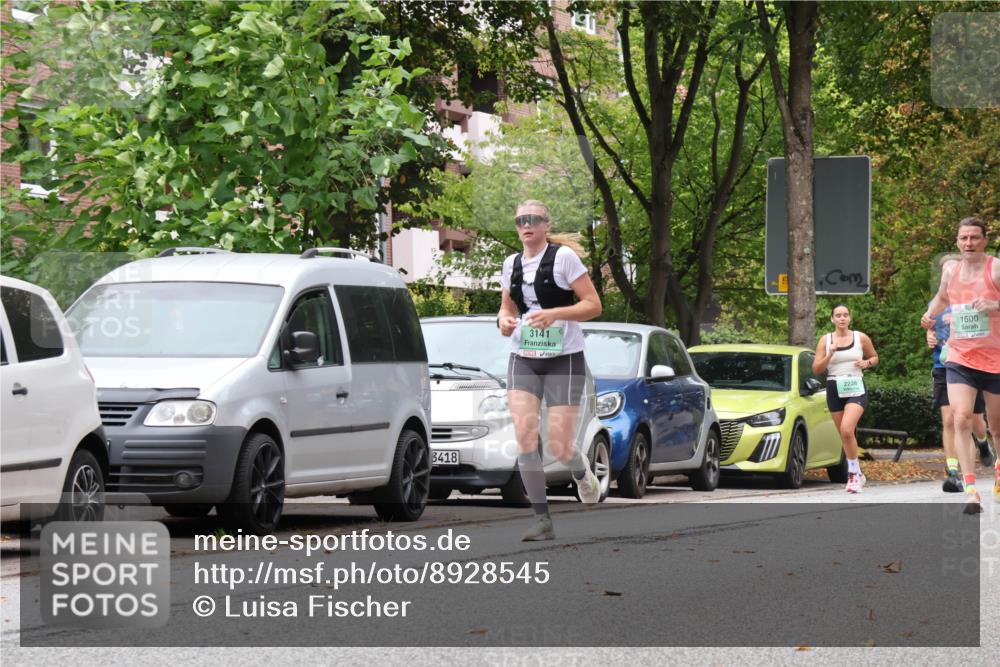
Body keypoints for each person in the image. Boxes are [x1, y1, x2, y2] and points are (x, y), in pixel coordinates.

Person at [497, 199, 603, 541]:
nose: (526, 225)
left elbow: (593, 305)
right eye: (520, 220)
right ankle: (542, 518)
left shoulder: (564, 258)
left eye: (533, 219)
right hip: (524, 356)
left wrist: (556, 314)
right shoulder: (511, 263)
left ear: (545, 224)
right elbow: (505, 309)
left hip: (564, 357)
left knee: (559, 445)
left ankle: (580, 470)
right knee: (526, 436)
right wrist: (504, 322)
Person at [921, 217, 1000, 514]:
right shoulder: (951, 270)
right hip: (960, 357)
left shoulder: (995, 268)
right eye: (963, 238)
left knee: (996, 426)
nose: (968, 244)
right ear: (957, 241)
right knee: (961, 418)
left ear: (984, 240)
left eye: (974, 238)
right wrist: (929, 315)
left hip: (994, 358)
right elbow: (942, 298)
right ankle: (970, 490)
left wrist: (993, 305)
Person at [927, 301, 996, 493]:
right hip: (944, 365)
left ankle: (982, 443)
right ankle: (953, 473)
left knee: (975, 421)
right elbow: (932, 327)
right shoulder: (936, 302)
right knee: (950, 419)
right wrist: (929, 336)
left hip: (974, 366)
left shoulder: (975, 295)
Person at [813, 304, 879, 494]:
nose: (842, 318)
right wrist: (829, 354)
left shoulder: (860, 337)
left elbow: (874, 357)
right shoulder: (825, 340)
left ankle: (852, 474)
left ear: (850, 318)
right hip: (834, 386)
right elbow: (817, 369)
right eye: (838, 315)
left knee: (847, 429)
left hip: (855, 386)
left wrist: (867, 363)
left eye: (845, 315)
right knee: (845, 435)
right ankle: (858, 472)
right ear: (832, 319)